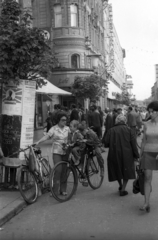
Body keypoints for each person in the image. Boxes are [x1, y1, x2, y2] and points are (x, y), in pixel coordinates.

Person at [103, 114, 139, 196]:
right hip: (127, 154)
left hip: (114, 153)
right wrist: (136, 155)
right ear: (125, 121)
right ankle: (123, 189)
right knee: (126, 170)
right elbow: (133, 144)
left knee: (116, 170)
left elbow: (106, 142)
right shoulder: (129, 130)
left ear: (116, 121)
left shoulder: (111, 130)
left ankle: (120, 185)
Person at [35, 112, 70, 196]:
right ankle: (55, 190)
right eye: (63, 120)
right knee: (58, 170)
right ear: (58, 120)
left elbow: (72, 137)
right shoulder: (53, 129)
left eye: (66, 120)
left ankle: (63, 189)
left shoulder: (68, 129)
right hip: (56, 151)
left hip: (66, 151)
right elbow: (47, 136)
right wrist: (38, 141)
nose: (64, 122)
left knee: (64, 171)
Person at [139, 101, 158, 212]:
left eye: (153, 111)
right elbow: (144, 140)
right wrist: (141, 156)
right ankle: (146, 203)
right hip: (148, 153)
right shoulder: (146, 124)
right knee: (147, 178)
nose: (151, 114)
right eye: (150, 112)